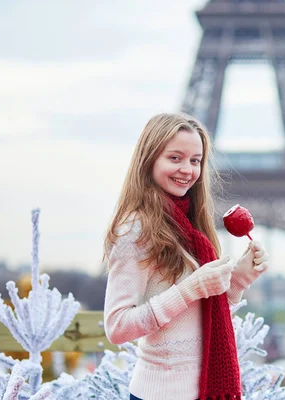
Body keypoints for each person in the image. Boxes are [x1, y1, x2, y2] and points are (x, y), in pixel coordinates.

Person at [103, 113, 269, 400]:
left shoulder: (191, 227)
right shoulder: (136, 230)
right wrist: (192, 288)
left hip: (203, 391)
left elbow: (199, 319)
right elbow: (117, 327)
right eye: (175, 158)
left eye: (195, 160)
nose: (187, 170)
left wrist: (238, 282)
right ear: (150, 159)